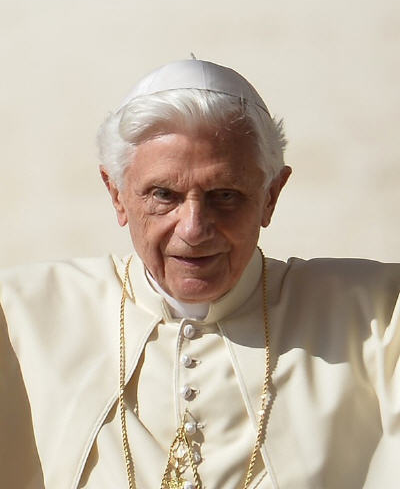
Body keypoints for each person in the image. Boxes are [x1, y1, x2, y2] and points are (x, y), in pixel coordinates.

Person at [1, 59, 399, 489]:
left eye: (224, 195)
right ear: (116, 194)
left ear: (271, 196)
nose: (193, 229)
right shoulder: (19, 318)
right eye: (163, 194)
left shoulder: (378, 318)